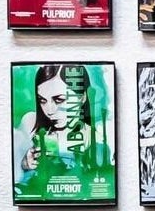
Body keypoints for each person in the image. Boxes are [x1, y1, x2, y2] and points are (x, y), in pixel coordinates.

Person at [13, 65, 109, 197]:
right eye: (42, 100)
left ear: (82, 97)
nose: (50, 110)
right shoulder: (30, 122)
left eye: (59, 100)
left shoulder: (97, 139)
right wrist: (24, 163)